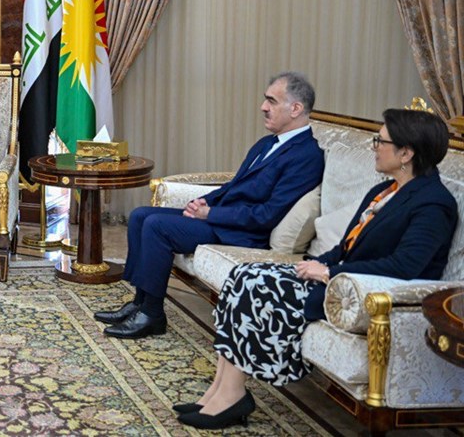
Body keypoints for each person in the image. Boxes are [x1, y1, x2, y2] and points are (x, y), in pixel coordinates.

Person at [176, 108, 458, 429]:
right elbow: (346, 247)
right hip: (340, 279)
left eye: (381, 141)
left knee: (258, 286)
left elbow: (404, 266)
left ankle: (232, 395)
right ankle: (218, 391)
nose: (374, 147)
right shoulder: (383, 191)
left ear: (406, 153)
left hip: (362, 293)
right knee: (244, 275)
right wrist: (319, 262)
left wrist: (329, 273)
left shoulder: (433, 204)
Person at [97, 72, 325, 339]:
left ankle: (152, 315)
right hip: (224, 220)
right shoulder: (268, 143)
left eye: (271, 101)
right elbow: (234, 185)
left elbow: (267, 214)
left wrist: (211, 213)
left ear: (295, 108)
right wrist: (206, 201)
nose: (263, 107)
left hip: (246, 233)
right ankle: (139, 303)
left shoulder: (307, 155)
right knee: (139, 216)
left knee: (157, 226)